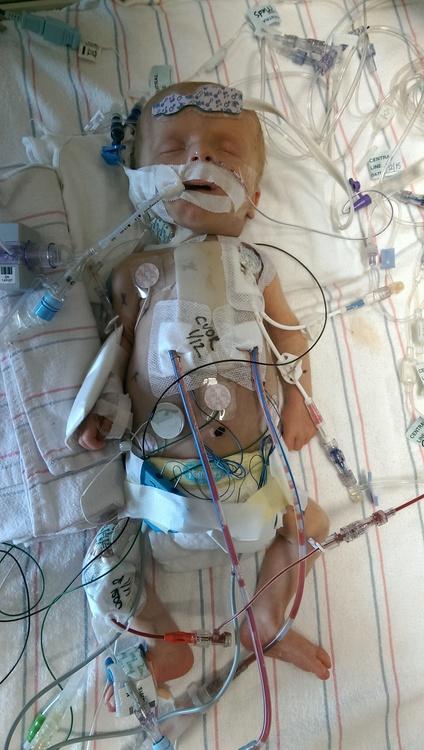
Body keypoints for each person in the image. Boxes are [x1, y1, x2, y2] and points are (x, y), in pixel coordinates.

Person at [79, 82, 332, 692]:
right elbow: (118, 352)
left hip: (252, 483)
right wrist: (103, 413)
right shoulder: (135, 272)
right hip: (158, 487)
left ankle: (264, 617)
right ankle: (160, 636)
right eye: (174, 149)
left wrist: (300, 398)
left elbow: (290, 336)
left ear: (254, 200)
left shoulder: (256, 265)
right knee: (102, 556)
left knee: (312, 522)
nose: (201, 158)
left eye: (226, 149)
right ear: (141, 184)